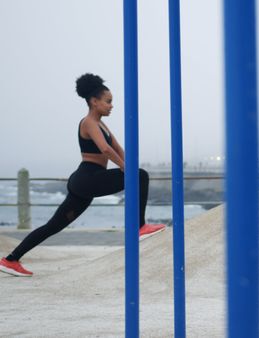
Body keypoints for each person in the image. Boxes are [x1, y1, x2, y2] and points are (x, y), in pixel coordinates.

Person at [0, 73, 165, 277]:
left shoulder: (102, 124)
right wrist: (126, 168)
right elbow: (105, 149)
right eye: (108, 101)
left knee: (54, 226)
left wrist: (128, 163)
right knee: (140, 176)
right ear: (94, 102)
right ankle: (140, 227)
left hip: (86, 183)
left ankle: (10, 260)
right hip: (88, 178)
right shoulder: (88, 123)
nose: (111, 106)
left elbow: (117, 148)